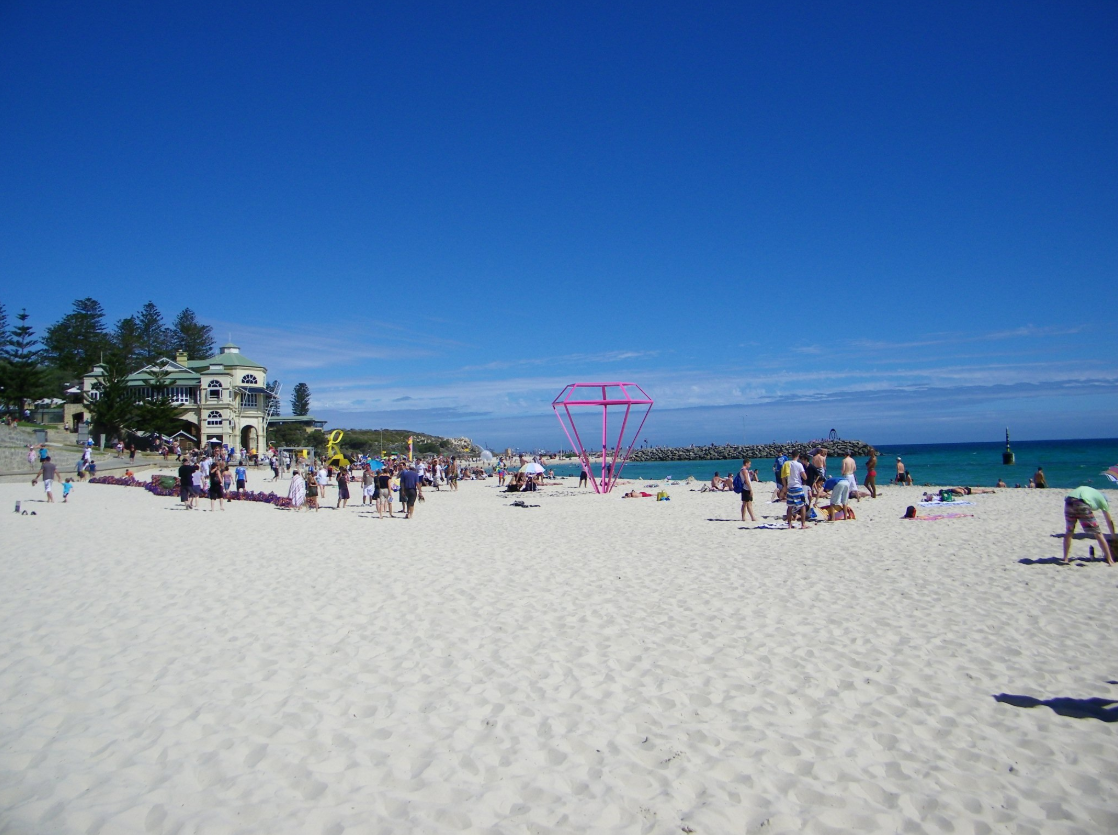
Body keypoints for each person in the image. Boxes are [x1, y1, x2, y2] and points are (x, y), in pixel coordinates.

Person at [1062, 486, 1114, 565]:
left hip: (1069, 501)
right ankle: (1110, 560)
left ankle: (1065, 558)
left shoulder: (1092, 492)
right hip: (1082, 502)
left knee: (1069, 531)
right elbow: (1109, 521)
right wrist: (1113, 536)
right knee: (1097, 532)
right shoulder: (1103, 500)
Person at [784, 452, 809, 529]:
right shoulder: (799, 465)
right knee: (802, 506)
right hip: (797, 487)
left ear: (791, 456)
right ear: (798, 456)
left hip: (790, 487)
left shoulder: (788, 464)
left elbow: (784, 476)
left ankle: (789, 524)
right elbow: (804, 477)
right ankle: (803, 524)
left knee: (790, 507)